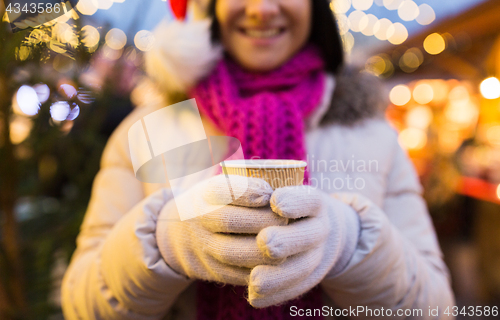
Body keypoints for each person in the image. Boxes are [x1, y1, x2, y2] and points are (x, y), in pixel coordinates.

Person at [61, 0, 456, 319]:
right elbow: (83, 304)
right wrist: (164, 242)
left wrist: (350, 241)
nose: (262, 8)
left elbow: (437, 308)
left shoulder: (373, 135)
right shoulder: (150, 129)